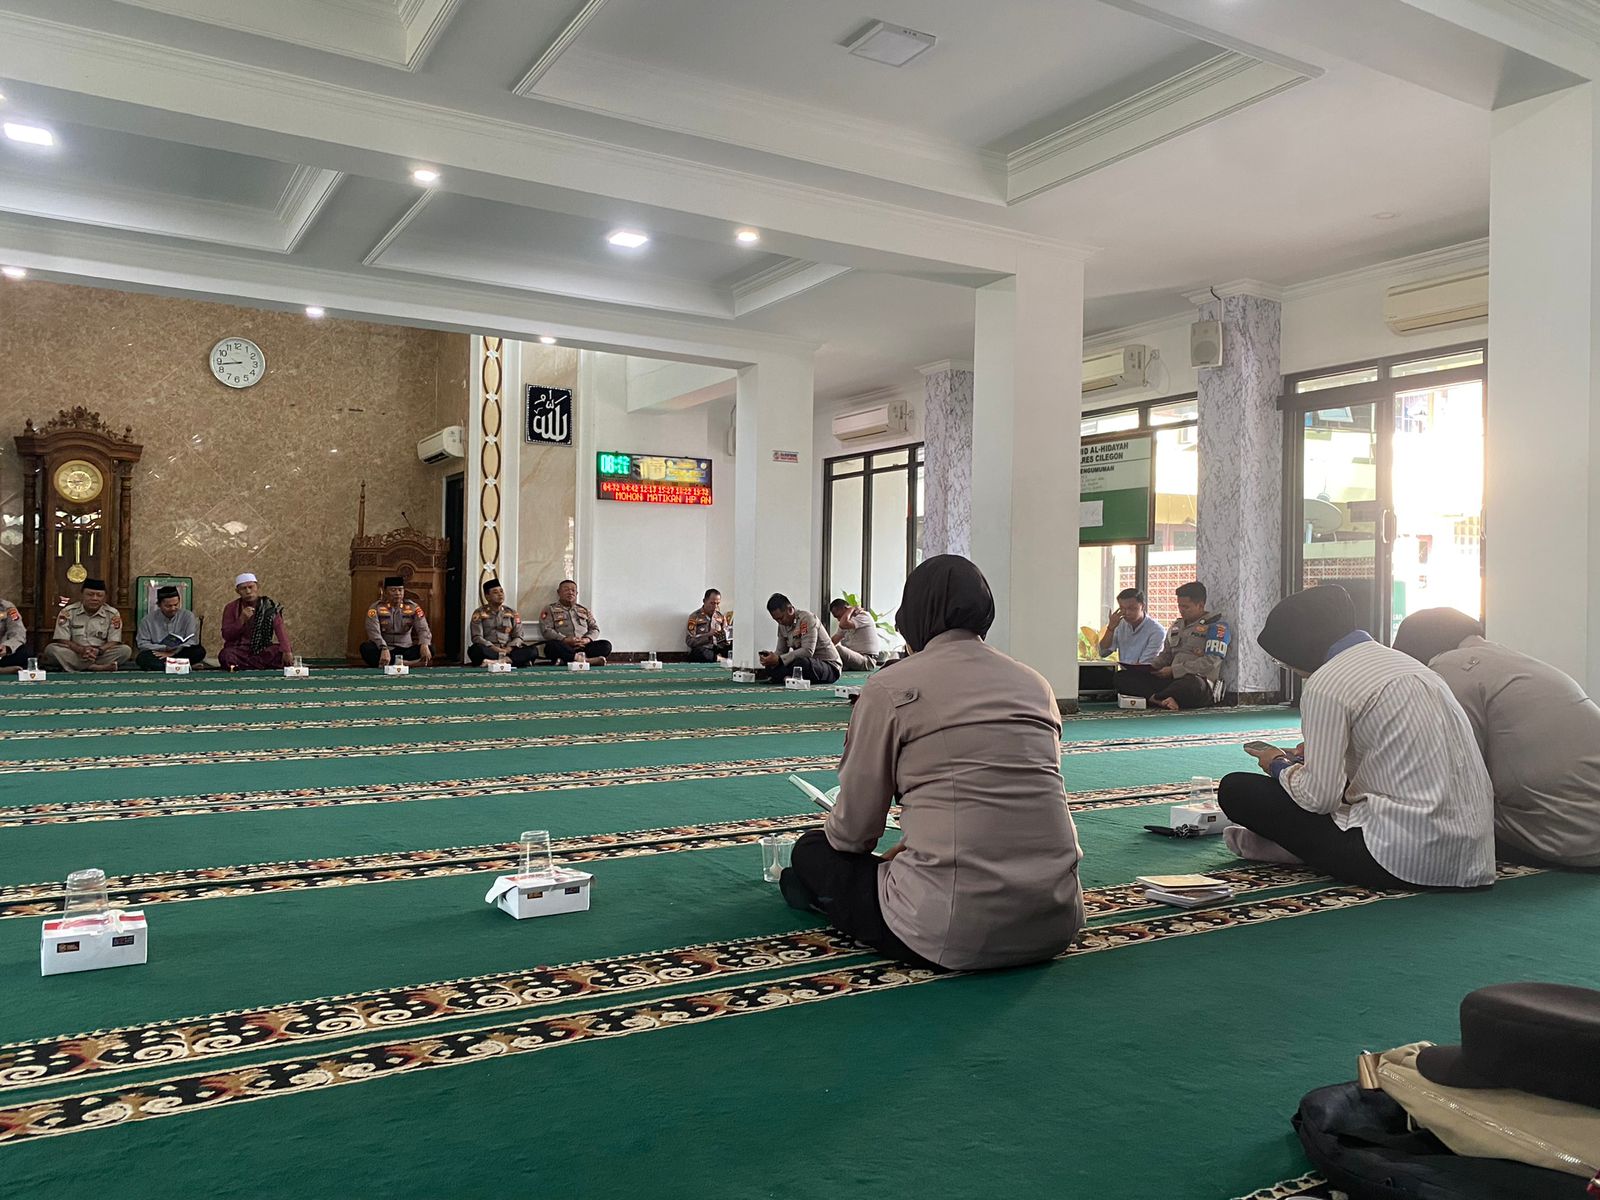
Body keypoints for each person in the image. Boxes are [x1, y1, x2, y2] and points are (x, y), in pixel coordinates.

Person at [780, 554, 1085, 971]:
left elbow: (853, 834)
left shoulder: (890, 686)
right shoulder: (1036, 685)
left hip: (952, 929)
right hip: (1056, 918)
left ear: (913, 616)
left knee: (812, 851)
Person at [1218, 585, 1495, 890]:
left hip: (1402, 859)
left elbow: (1318, 797)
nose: (1291, 669)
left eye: (1282, 661)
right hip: (1473, 859)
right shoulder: (1413, 666)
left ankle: (1292, 850)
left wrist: (1278, 765)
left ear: (1297, 648)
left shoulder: (1326, 682)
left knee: (1237, 789)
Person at [1394, 608, 1600, 869]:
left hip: (1568, 836)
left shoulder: (1445, 670)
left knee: (1408, 826)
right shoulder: (1515, 661)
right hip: (1589, 825)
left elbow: (1452, 774)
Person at [1115, 581, 1230, 709]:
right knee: (1122, 677)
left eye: (1186, 607)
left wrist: (1174, 671)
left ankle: (1156, 698)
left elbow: (1211, 661)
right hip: (1171, 680)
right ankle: (1162, 700)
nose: (1181, 610)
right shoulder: (1176, 626)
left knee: (1192, 684)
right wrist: (1150, 667)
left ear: (1200, 605)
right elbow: (1166, 655)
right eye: (1179, 606)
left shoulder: (1216, 627)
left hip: (1198, 682)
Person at [42, 578, 133, 672]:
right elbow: (62, 639)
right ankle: (95, 667)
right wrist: (81, 650)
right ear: (81, 595)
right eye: (90, 594)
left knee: (125, 650)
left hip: (100, 654)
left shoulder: (112, 613)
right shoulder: (68, 612)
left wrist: (99, 651)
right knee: (51, 649)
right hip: (75, 652)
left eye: (99, 595)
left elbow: (114, 641)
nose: (94, 598)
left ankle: (78, 666)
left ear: (105, 598)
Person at [758, 594, 841, 685]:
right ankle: (789, 677)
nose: (780, 622)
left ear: (790, 610)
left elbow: (807, 651)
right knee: (771, 667)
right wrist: (770, 659)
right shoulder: (782, 625)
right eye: (776, 620)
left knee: (801, 664)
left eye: (781, 618)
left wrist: (779, 659)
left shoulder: (807, 619)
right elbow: (781, 651)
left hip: (828, 666)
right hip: (804, 664)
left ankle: (786, 677)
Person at [220, 572, 294, 671]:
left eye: (251, 587)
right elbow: (227, 635)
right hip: (240, 650)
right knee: (225, 655)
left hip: (262, 649)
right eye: (243, 588)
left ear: (257, 587)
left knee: (280, 651)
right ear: (237, 591)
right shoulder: (231, 607)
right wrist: (241, 620)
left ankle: (245, 666)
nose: (248, 591)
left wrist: (287, 651)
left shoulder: (269, 607)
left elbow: (280, 630)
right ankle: (259, 665)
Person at [361, 576, 433, 668]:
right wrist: (383, 647)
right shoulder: (375, 608)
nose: (397, 593)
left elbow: (423, 628)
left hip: (406, 648)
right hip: (386, 648)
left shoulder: (413, 607)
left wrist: (424, 644)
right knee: (366, 648)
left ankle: (396, 663)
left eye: (400, 590)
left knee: (431, 648)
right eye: (393, 590)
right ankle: (410, 664)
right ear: (385, 592)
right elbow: (373, 631)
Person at [539, 580, 611, 665]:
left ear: (576, 593)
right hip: (564, 645)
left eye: (573, 590)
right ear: (559, 592)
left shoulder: (584, 610)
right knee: (551, 646)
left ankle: (569, 660)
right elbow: (546, 630)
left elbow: (595, 628)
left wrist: (587, 639)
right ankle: (585, 660)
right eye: (566, 590)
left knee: (606, 645)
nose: (570, 592)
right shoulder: (550, 609)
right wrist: (565, 639)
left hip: (584, 647)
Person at [135, 585, 205, 670]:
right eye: (168, 606)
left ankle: (168, 666)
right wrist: (164, 648)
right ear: (159, 605)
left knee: (198, 651)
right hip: (159, 653)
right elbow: (142, 644)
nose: (173, 608)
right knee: (143, 658)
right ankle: (184, 666)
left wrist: (174, 652)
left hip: (179, 652)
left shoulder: (188, 616)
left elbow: (192, 640)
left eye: (176, 604)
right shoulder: (147, 620)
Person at [468, 579, 535, 667]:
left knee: (533, 650)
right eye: (495, 592)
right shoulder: (479, 613)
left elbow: (518, 636)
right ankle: (513, 661)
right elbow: (477, 637)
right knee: (475, 650)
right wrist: (494, 648)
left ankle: (498, 662)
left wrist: (508, 649)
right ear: (487, 597)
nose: (500, 594)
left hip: (509, 650)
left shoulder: (512, 613)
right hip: (490, 650)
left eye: (501, 591)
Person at [1097, 587, 1165, 665]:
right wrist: (1111, 628)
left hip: (1144, 671)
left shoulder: (1156, 631)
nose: (1127, 613)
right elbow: (1102, 652)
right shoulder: (1120, 624)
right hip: (1125, 670)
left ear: (1143, 606)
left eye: (1131, 608)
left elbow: (1144, 664)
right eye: (1122, 608)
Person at [829, 598, 883, 672]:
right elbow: (833, 641)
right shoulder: (845, 621)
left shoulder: (863, 616)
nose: (838, 620)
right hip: (854, 658)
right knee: (830, 649)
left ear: (846, 608)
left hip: (867, 660)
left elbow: (843, 624)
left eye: (838, 616)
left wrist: (852, 609)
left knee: (838, 649)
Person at [685, 588, 731, 662]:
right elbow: (689, 641)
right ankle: (719, 659)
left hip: (718, 648)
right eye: (712, 603)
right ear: (704, 601)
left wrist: (726, 638)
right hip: (703, 649)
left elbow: (727, 638)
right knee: (698, 652)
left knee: (734, 648)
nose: (715, 606)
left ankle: (719, 658)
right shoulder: (694, 617)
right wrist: (708, 635)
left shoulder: (720, 616)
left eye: (717, 603)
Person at [0, 598, 28, 672]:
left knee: (22, 653)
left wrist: (7, 647)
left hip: (2, 651)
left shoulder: (8, 608)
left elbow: (18, 631)